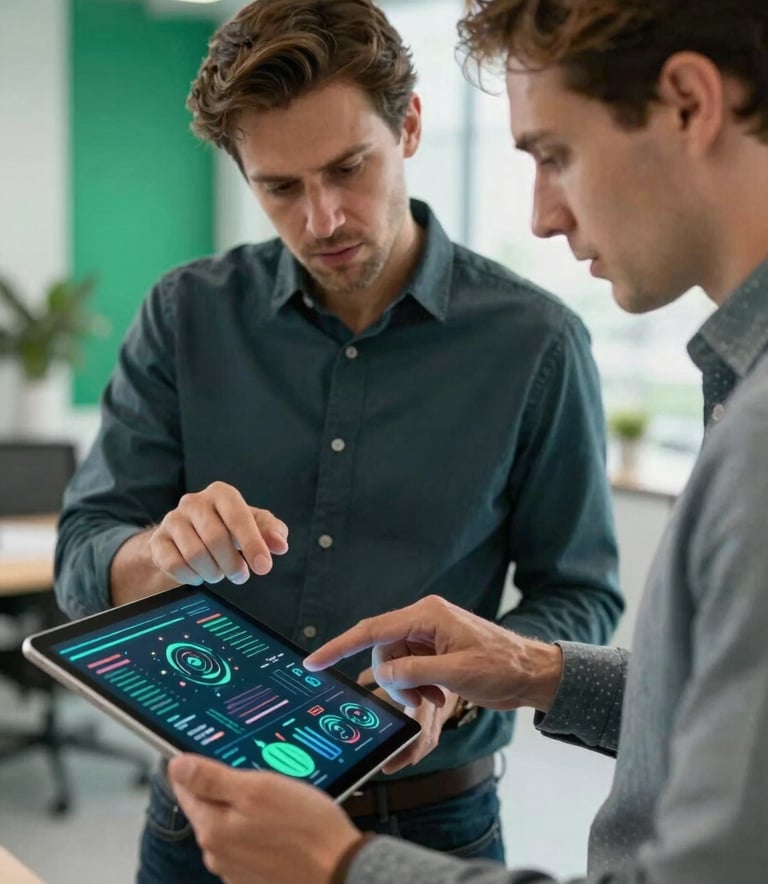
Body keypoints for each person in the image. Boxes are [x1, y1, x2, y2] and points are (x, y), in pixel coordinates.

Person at [161, 0, 768, 881]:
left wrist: (345, 867)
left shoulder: (722, 422)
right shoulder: (184, 311)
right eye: (281, 186)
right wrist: (534, 668)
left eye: (554, 154)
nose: (541, 218)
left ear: (686, 102)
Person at [54, 0, 622, 880]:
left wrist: (462, 684)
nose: (323, 219)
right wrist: (161, 555)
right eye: (280, 187)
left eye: (349, 168)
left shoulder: (536, 343)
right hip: (205, 816)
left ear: (411, 127)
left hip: (428, 828)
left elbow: (578, 594)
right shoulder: (184, 315)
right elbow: (84, 553)